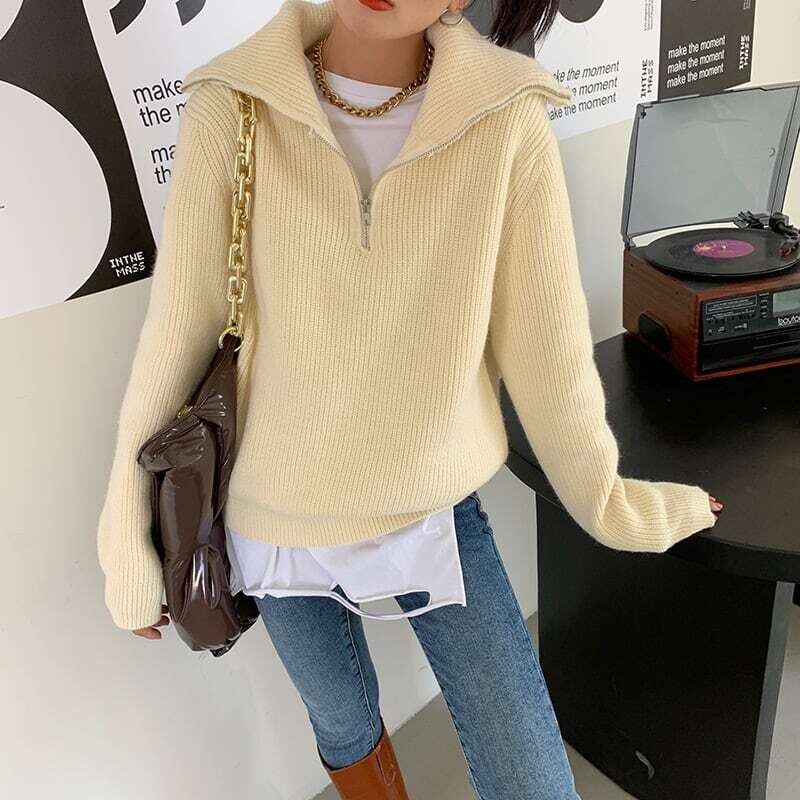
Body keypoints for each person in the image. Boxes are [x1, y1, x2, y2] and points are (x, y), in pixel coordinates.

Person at [96, 1, 724, 797]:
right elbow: (180, 330)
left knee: (530, 778)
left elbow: (549, 353)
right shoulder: (235, 102)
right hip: (270, 512)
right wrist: (125, 532)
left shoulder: (504, 117)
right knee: (343, 726)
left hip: (430, 506)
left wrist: (608, 503)